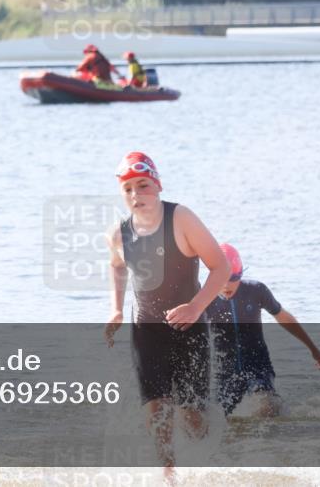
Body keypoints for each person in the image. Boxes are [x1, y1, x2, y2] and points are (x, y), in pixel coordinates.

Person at [103, 152, 230, 480]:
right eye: (128, 189)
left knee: (191, 419)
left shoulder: (181, 218)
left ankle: (209, 452)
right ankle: (168, 475)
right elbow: (117, 266)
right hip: (146, 330)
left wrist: (196, 307)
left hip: (189, 327)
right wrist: (117, 309)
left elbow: (221, 267)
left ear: (157, 185)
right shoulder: (118, 234)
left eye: (143, 185)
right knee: (156, 409)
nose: (136, 194)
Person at [206, 243, 320, 418]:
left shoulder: (256, 290)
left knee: (268, 407)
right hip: (224, 371)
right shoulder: (206, 298)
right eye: (221, 278)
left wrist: (312, 347)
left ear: (240, 274)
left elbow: (283, 317)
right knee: (222, 421)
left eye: (232, 279)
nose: (226, 285)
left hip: (258, 364)